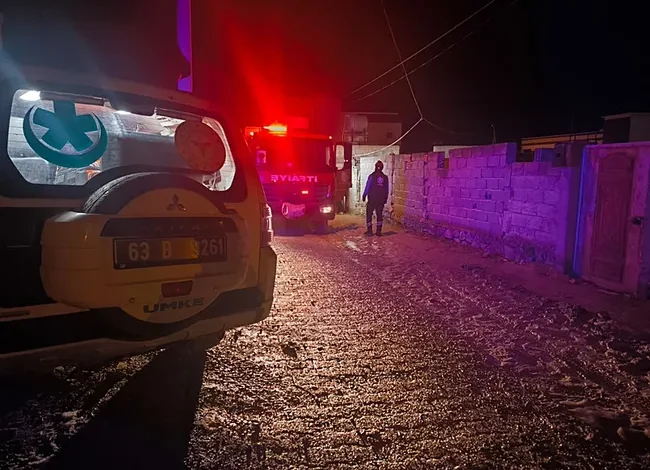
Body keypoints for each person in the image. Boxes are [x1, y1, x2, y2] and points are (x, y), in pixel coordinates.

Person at [362, 160, 389, 236]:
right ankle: (378, 231)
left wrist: (364, 195)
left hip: (372, 199)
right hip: (381, 200)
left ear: (375, 167)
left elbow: (368, 186)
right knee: (379, 215)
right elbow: (386, 189)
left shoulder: (372, 176)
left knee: (369, 214)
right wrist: (385, 198)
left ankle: (370, 231)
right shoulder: (385, 178)